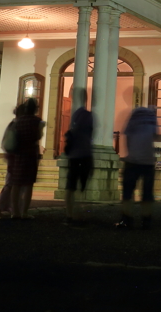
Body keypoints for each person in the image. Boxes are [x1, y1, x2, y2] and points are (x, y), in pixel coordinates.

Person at [116, 106, 157, 229]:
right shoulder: (152, 118)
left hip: (133, 160)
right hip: (148, 160)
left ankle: (126, 219)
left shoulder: (134, 116)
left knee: (128, 192)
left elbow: (127, 136)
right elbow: (154, 135)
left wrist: (129, 153)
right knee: (147, 193)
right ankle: (146, 221)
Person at [10, 97, 44, 220]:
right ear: (35, 109)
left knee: (16, 184)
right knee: (28, 184)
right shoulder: (37, 121)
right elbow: (38, 136)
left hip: (18, 153)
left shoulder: (18, 121)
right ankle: (24, 212)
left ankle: (15, 212)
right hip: (31, 154)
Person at [64, 91, 94, 225]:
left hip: (74, 154)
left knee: (71, 185)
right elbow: (90, 133)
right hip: (84, 153)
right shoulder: (88, 115)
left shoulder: (75, 115)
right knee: (82, 184)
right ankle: (78, 214)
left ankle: (70, 214)